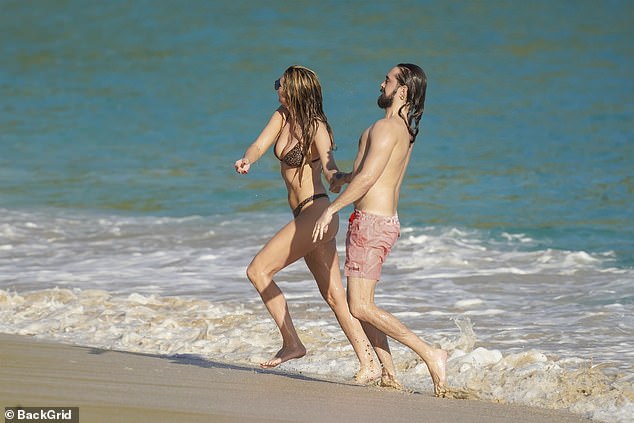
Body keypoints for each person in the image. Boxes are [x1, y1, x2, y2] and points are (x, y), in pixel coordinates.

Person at [234, 65, 383, 383]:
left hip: (318, 213)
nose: (277, 89)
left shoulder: (317, 128)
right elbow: (259, 145)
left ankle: (291, 343)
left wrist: (343, 178)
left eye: (280, 84)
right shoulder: (282, 115)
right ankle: (370, 364)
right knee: (334, 297)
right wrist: (248, 159)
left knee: (258, 271)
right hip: (304, 216)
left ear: (294, 90)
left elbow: (329, 170)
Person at [312, 63, 448, 396]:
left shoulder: (385, 129)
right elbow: (371, 176)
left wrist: (331, 208)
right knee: (361, 302)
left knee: (359, 307)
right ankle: (389, 374)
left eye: (387, 80)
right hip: (377, 222)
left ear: (402, 90)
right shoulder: (402, 130)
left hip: (371, 224)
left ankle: (431, 353)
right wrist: (341, 178)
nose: (380, 84)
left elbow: (370, 179)